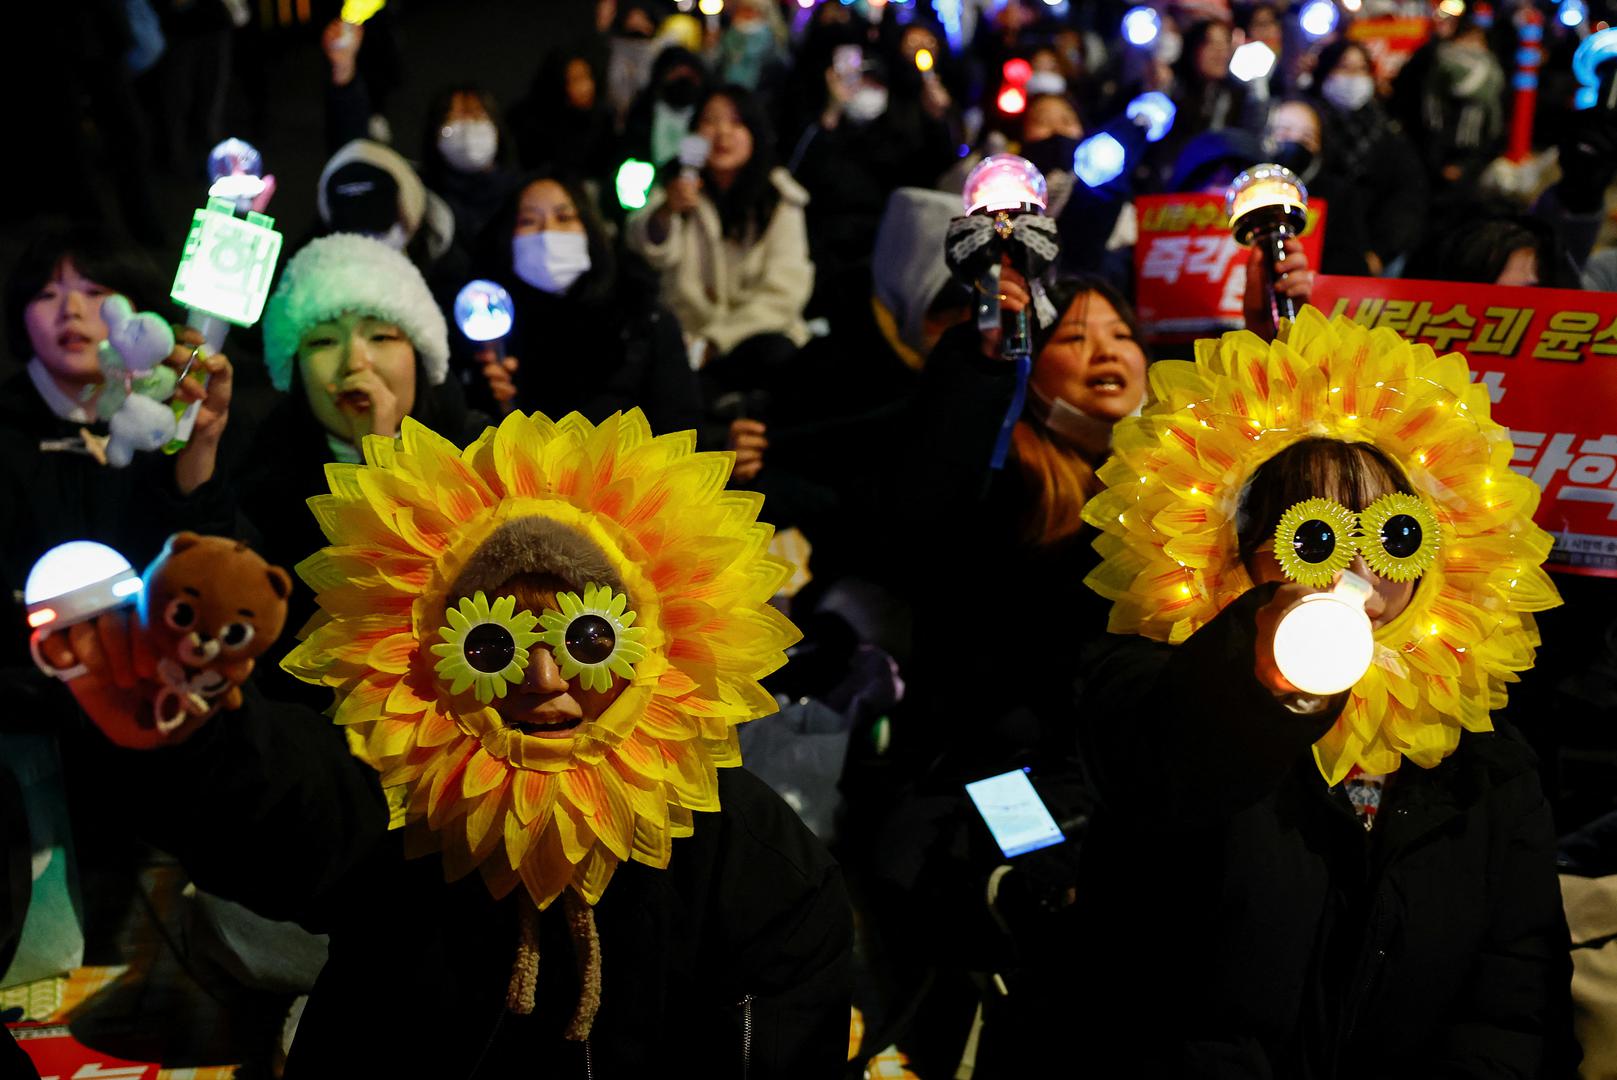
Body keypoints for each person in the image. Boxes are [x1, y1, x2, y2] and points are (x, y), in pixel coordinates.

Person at [42, 408, 853, 1077]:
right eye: (495, 644)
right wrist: (192, 735)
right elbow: (294, 811)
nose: (542, 677)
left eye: (588, 639)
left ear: (663, 644)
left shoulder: (756, 866)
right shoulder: (413, 794)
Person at [978, 309, 1577, 1075]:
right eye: (1316, 538)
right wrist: (1271, 679)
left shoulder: (1487, 759)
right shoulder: (1152, 683)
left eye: (1394, 536)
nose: (1358, 571)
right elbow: (1165, 768)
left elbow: (1512, 1006)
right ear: (1239, 550)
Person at [0, 221, 236, 658]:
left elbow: (223, 579)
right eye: (46, 294)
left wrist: (200, 447)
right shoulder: (10, 430)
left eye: (94, 293)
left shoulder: (173, 415)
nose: (70, 309)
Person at [467, 174, 702, 440]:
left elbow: (679, 426)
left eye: (564, 218)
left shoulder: (643, 316)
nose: (548, 233)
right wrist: (496, 404)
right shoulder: (489, 327)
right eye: (529, 221)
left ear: (590, 229)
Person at [625, 85, 814, 410]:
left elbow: (784, 292)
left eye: (736, 123)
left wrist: (715, 341)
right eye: (710, 122)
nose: (723, 133)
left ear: (755, 132)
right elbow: (644, 246)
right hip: (686, 342)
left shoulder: (780, 199)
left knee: (777, 355)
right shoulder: (677, 185)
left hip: (753, 339)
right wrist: (667, 211)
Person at [1309, 40, 1427, 275]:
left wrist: (1381, 251)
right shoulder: (1306, 124)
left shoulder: (1388, 132)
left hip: (1373, 256)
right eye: (1344, 67)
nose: (1353, 77)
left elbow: (1408, 197)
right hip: (1314, 250)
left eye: (1361, 69)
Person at [417, 84, 522, 246]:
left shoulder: (522, 194)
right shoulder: (422, 196)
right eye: (454, 117)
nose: (467, 127)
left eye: (477, 115)